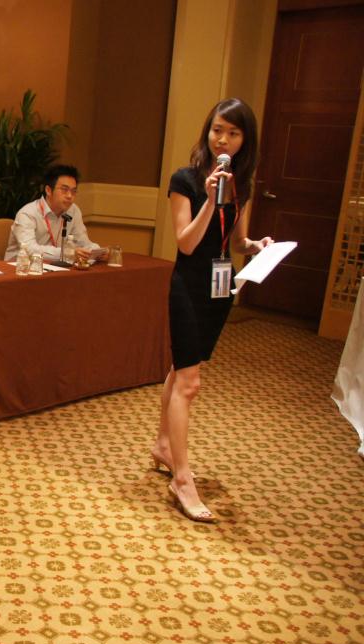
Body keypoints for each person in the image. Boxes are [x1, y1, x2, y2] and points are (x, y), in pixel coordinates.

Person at [150, 99, 273, 523]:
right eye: (218, 129)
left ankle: (163, 445)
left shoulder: (243, 184)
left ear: (244, 141)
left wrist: (256, 246)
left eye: (233, 133)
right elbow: (186, 243)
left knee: (182, 367)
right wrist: (208, 199)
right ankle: (182, 479)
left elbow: (235, 241)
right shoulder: (184, 179)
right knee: (190, 382)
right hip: (189, 285)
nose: (223, 139)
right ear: (208, 131)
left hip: (221, 289)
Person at [3, 164, 104, 264]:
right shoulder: (28, 213)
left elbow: (83, 242)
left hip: (54, 267)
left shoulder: (73, 211)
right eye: (64, 190)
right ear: (48, 190)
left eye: (74, 191)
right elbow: (30, 249)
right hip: (20, 268)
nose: (69, 196)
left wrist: (98, 252)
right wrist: (67, 253)